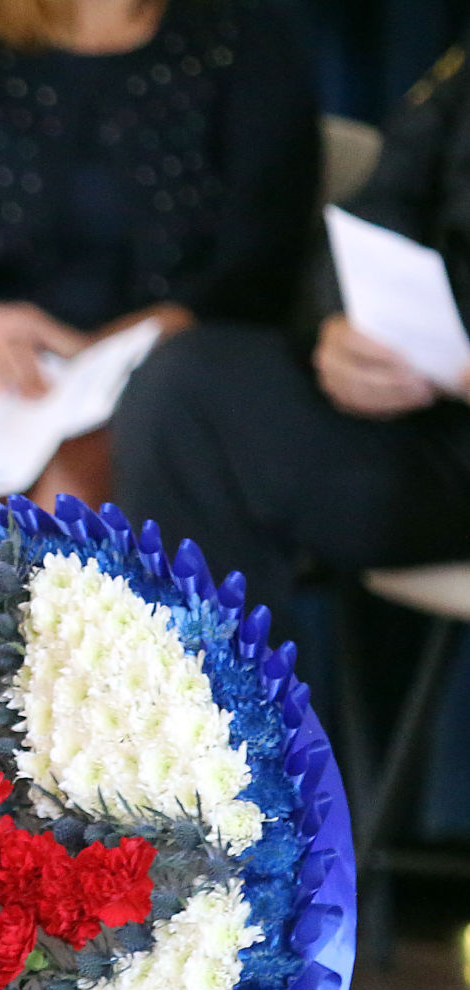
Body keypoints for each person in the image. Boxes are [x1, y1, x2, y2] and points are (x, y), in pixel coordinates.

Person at [0, 0, 319, 543]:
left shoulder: (245, 41)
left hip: (160, 372)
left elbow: (258, 271)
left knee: (77, 474)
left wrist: (100, 353)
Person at [110, 37, 470, 632]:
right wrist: (340, 329)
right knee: (191, 390)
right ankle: (206, 717)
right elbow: (381, 206)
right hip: (431, 418)